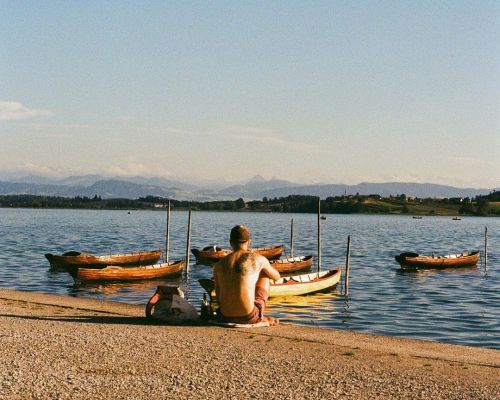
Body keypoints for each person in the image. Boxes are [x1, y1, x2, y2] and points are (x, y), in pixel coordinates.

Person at [213, 225, 280, 325]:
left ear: (230, 242)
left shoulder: (218, 265)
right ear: (249, 242)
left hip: (224, 316)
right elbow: (276, 276)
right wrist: (261, 267)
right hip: (248, 317)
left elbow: (218, 295)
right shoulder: (258, 259)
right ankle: (260, 316)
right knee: (265, 274)